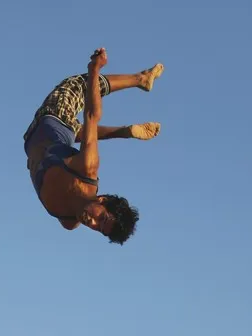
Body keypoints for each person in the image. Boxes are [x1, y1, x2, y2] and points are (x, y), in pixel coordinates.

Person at [23, 47, 164, 245]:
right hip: (56, 115)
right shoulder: (87, 169)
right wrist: (94, 69)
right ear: (103, 200)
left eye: (99, 229)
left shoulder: (68, 221)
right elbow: (91, 115)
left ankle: (124, 130)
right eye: (102, 218)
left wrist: (34, 163)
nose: (93, 223)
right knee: (79, 85)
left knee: (78, 135)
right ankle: (139, 79)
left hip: (46, 136)